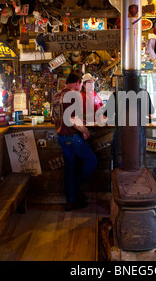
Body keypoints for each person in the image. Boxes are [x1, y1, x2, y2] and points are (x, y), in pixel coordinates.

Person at [52, 72, 98, 211]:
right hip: (72, 137)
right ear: (78, 82)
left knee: (70, 169)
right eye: (81, 84)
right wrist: (85, 131)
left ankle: (70, 202)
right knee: (92, 161)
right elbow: (72, 120)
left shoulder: (57, 95)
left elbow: (57, 118)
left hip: (61, 137)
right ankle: (76, 187)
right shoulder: (73, 95)